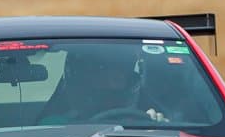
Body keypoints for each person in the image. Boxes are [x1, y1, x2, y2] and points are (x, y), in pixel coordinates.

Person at [37, 43, 166, 125]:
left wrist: (157, 127)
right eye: (102, 71)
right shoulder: (55, 124)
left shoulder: (145, 120)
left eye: (121, 71)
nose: (112, 80)